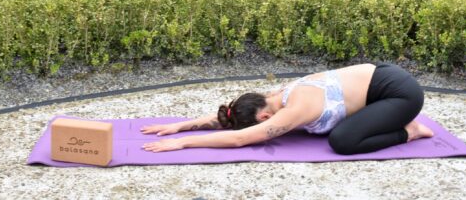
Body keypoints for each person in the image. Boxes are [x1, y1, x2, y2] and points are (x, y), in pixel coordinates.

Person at [141, 62, 434, 154]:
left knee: (343, 141)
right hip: (379, 84)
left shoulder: (295, 107)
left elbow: (241, 137)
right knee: (342, 135)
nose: (263, 127)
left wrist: (183, 142)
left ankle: (410, 131)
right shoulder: (273, 97)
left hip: (400, 94)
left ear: (266, 117)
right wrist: (182, 124)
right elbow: (231, 117)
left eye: (261, 124)